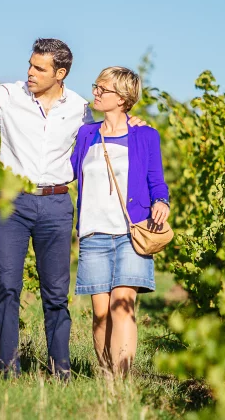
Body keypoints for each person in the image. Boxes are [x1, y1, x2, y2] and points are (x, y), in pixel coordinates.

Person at [0, 39, 145, 379]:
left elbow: (105, 132)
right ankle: (9, 371)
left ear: (60, 73)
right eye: (30, 65)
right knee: (6, 287)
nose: (30, 73)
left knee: (56, 295)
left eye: (39, 68)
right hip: (12, 204)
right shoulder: (8, 96)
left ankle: (61, 371)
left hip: (57, 205)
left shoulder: (78, 108)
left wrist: (131, 123)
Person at [70, 67, 170, 377]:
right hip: (93, 234)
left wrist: (161, 202)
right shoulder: (87, 133)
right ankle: (106, 374)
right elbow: (70, 172)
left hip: (131, 233)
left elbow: (156, 179)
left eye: (103, 88)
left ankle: (120, 384)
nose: (96, 92)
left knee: (122, 306)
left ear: (123, 98)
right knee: (101, 315)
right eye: (96, 86)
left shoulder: (145, 135)